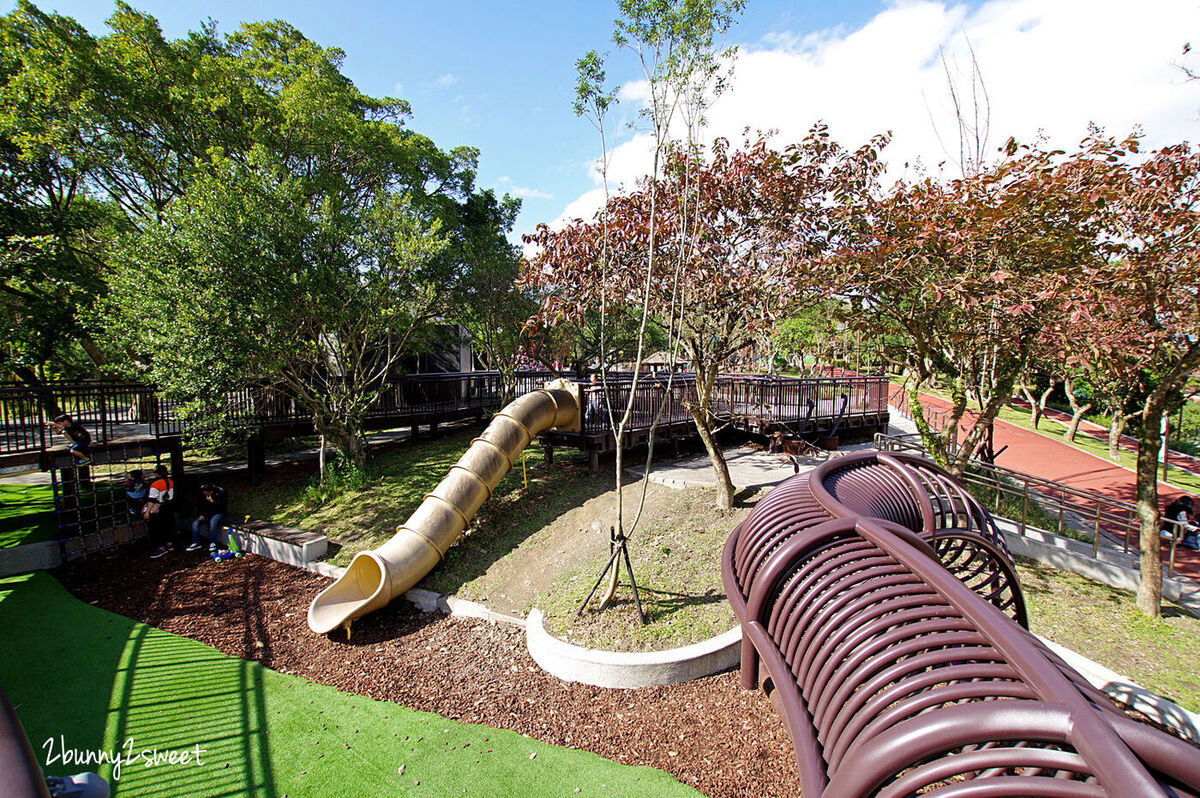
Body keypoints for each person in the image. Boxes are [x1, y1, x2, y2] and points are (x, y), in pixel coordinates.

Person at [145, 464, 175, 559]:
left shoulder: (155, 484)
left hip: (158, 508)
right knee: (168, 525)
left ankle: (160, 547)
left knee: (156, 528)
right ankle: (169, 543)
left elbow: (152, 499)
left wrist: (147, 512)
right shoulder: (170, 482)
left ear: (157, 474)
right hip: (168, 506)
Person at [188, 483, 227, 552]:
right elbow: (199, 506)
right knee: (195, 523)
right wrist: (200, 514)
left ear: (211, 491)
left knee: (213, 522)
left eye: (206, 493)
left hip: (218, 512)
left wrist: (212, 502)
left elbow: (221, 507)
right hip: (206, 513)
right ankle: (196, 542)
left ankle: (213, 542)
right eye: (204, 493)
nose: (205, 494)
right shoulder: (201, 495)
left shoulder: (219, 493)